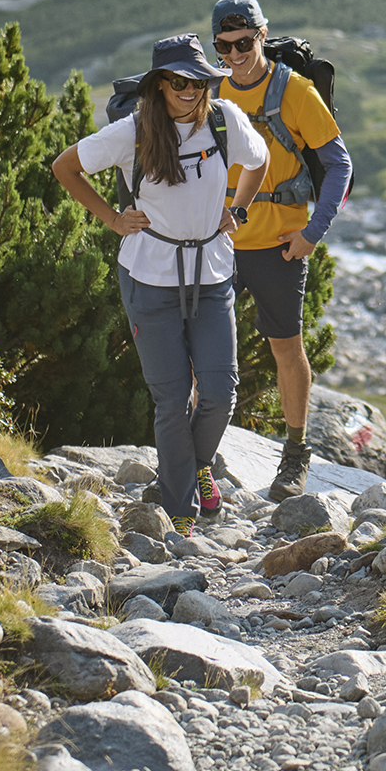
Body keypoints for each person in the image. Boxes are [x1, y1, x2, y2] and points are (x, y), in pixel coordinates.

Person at [51, 34, 264, 533]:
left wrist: (238, 209)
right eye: (177, 82)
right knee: (171, 400)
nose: (189, 90)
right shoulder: (133, 132)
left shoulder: (224, 120)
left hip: (212, 272)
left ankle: (196, 467)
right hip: (149, 276)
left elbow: (259, 162)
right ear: (159, 86)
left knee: (220, 392)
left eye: (198, 81)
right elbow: (65, 166)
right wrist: (110, 218)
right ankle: (180, 511)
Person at [209, 0, 354, 500]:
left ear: (262, 36)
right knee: (197, 348)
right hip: (218, 243)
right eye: (223, 45)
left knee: (285, 348)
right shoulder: (209, 92)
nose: (234, 54)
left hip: (277, 243)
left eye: (244, 42)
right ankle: (194, 455)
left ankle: (294, 456)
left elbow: (338, 164)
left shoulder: (295, 92)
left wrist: (313, 232)